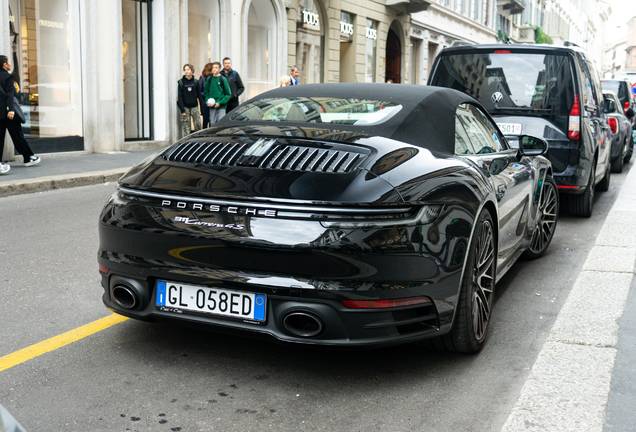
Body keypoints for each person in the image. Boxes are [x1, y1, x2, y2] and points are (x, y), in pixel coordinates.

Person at [0, 54, 40, 174]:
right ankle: (28, 157)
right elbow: (10, 94)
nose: (11, 64)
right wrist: (11, 109)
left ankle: (28, 157)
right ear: (5, 65)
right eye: (9, 62)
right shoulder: (8, 77)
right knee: (17, 136)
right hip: (9, 113)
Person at [177, 63, 202, 137]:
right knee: (186, 127)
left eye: (188, 69)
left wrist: (202, 110)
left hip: (194, 106)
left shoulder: (195, 81)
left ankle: (198, 142)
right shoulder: (181, 82)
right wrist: (182, 110)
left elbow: (199, 96)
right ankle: (187, 144)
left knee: (197, 125)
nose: (186, 71)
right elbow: (180, 96)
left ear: (191, 70)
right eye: (185, 70)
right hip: (185, 107)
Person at [204, 61, 231, 125]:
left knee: (221, 123)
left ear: (220, 69)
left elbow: (228, 94)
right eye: (213, 67)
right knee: (212, 123)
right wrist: (207, 101)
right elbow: (206, 92)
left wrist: (220, 102)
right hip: (212, 105)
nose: (214, 69)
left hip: (221, 106)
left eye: (216, 67)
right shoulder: (209, 79)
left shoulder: (223, 79)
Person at [198, 62, 213, 129]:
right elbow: (199, 91)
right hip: (205, 101)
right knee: (206, 118)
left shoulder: (214, 78)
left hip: (213, 100)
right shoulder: (202, 78)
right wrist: (207, 95)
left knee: (212, 118)